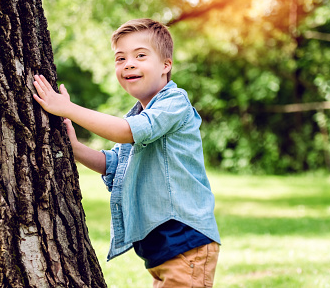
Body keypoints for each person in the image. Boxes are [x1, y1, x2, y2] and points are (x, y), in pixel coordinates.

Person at [33, 18, 220, 287]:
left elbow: (127, 132)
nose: (128, 63)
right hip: (163, 252)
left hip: (186, 244)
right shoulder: (140, 114)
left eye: (140, 55)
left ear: (166, 65)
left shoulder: (174, 103)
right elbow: (114, 163)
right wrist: (75, 149)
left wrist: (67, 109)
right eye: (120, 59)